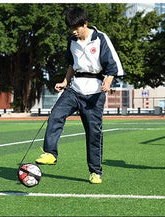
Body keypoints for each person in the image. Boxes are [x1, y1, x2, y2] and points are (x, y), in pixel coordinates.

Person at [34, 6, 124, 184]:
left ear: (85, 23)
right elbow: (71, 65)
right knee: (56, 114)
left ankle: (95, 171)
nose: (74, 32)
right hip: (75, 89)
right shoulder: (72, 41)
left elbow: (113, 66)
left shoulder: (100, 38)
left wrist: (107, 81)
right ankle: (50, 153)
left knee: (93, 133)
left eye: (76, 28)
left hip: (95, 92)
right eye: (71, 28)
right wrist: (65, 81)